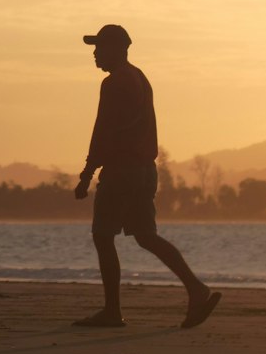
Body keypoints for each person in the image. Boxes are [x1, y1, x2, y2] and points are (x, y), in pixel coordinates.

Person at [73, 24, 220, 330]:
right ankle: (196, 289)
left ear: (116, 49)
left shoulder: (115, 84)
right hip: (144, 171)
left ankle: (112, 312)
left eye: (99, 48)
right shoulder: (140, 78)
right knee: (146, 236)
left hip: (123, 172)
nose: (95, 54)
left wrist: (87, 174)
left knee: (103, 236)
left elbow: (104, 132)